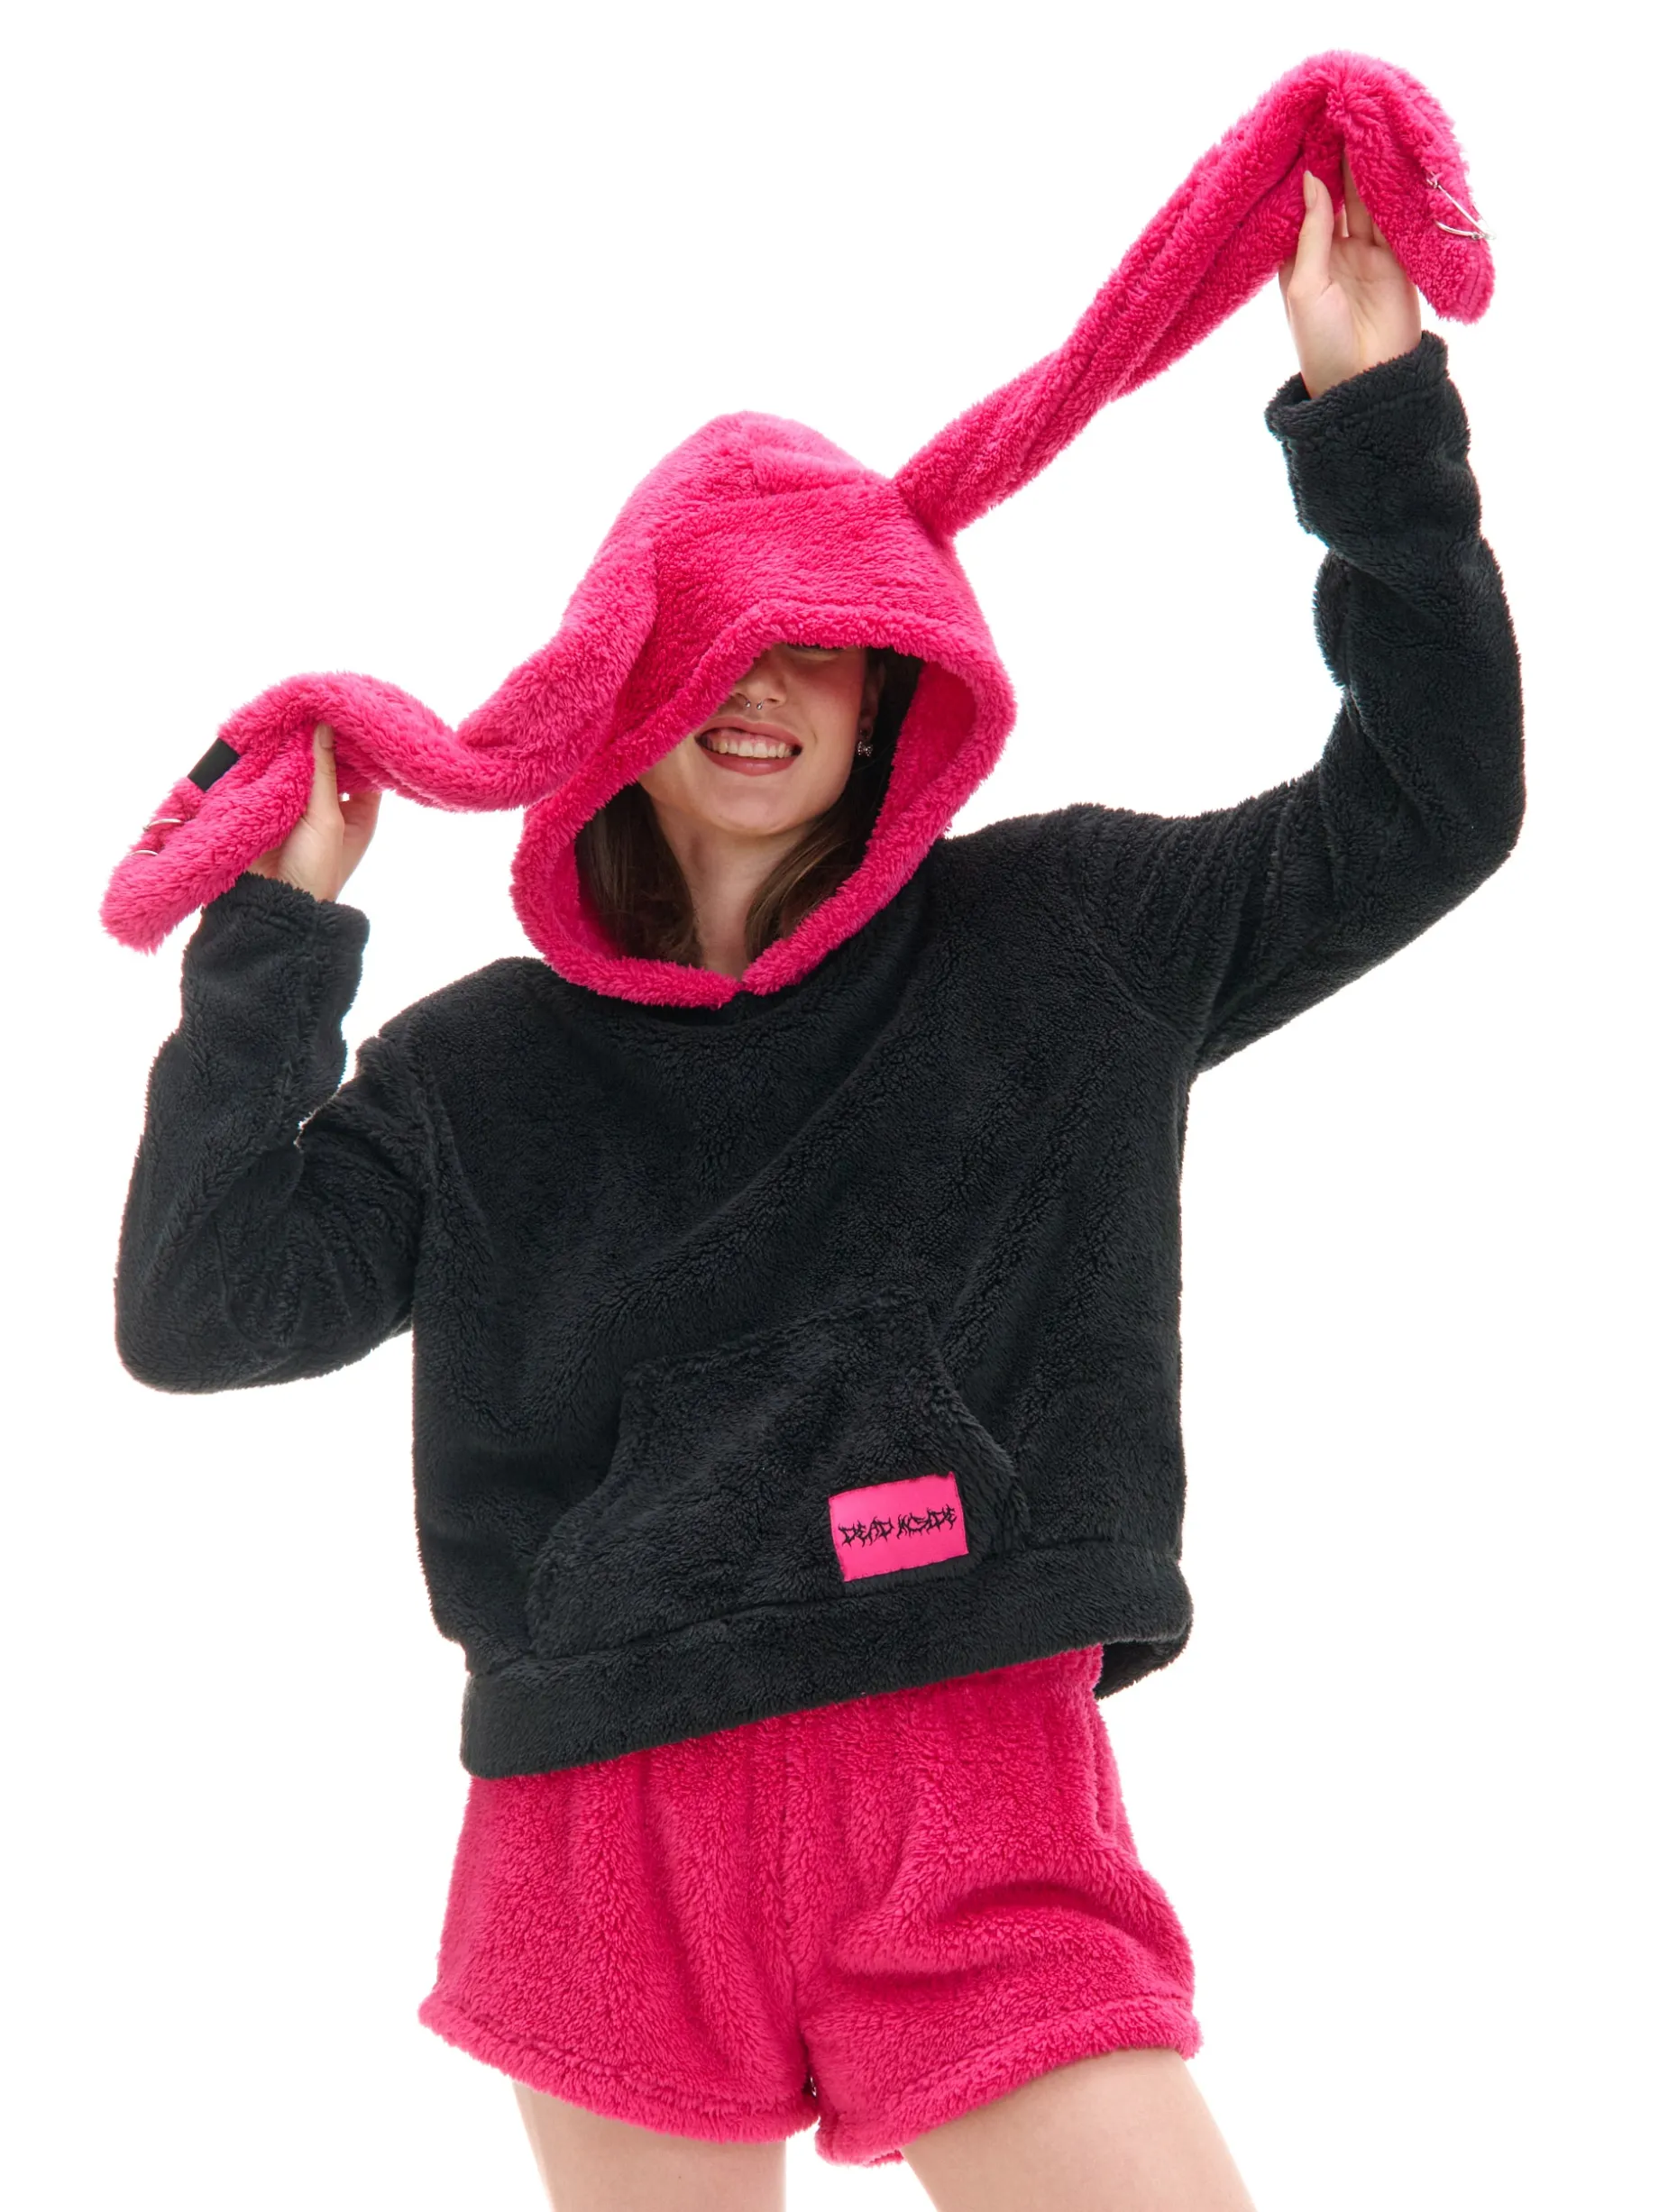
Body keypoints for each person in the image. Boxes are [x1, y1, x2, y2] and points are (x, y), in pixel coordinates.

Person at [115, 152, 1523, 2212]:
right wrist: (276, 935)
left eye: (821, 647)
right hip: (604, 1830)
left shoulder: (1067, 935)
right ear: (616, 689)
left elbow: (1429, 805)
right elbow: (199, 1309)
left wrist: (1370, 419)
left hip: (969, 1795)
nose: (763, 692)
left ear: (892, 686)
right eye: (712, 647)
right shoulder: (477, 1071)